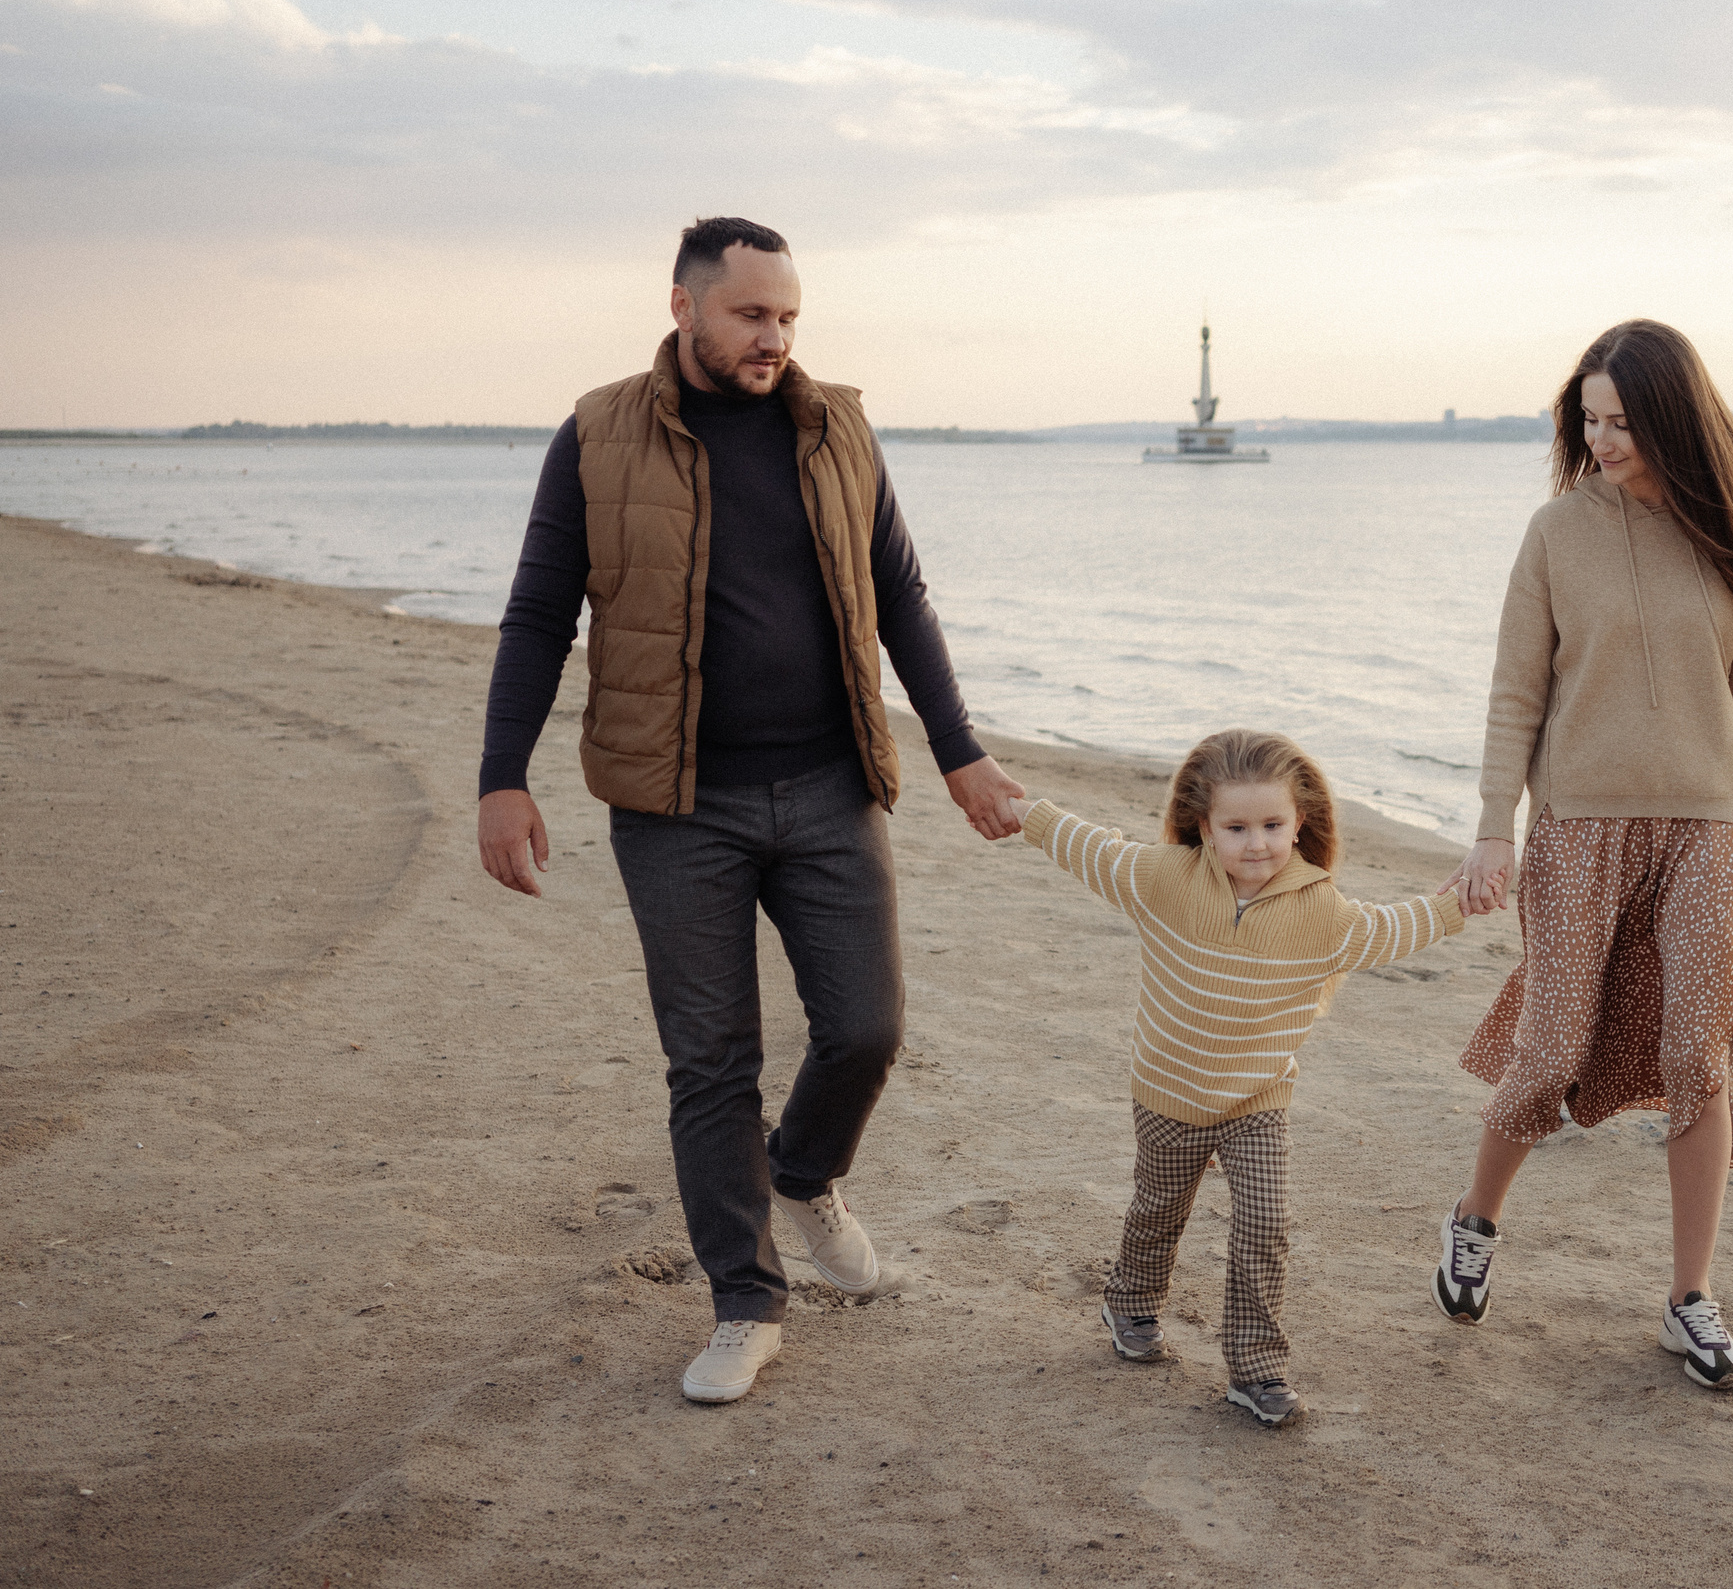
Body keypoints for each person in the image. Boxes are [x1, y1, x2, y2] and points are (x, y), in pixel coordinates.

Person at [475, 216, 1025, 1404]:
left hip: (832, 786)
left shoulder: (837, 427)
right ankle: (744, 1301)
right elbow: (535, 616)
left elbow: (901, 595)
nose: (774, 337)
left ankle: (804, 1172)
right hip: (677, 805)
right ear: (683, 307)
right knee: (710, 1060)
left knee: (866, 1029)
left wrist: (961, 754)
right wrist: (500, 776)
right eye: (751, 315)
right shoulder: (597, 432)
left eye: (788, 317)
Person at [1429, 318, 1733, 1391]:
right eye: (1590, 420)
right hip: (1579, 830)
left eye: (1622, 421)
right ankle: (1476, 1219)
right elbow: (1514, 692)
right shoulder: (1554, 534)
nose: (1602, 440)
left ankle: (1689, 1298)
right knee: (1555, 1044)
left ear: (1672, 417)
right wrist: (1494, 827)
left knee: (1695, 1056)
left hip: (1709, 832)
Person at [1000, 730, 1464, 1427]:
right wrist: (1025, 813)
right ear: (1204, 825)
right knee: (1159, 1209)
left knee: (1265, 1222)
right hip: (1168, 1090)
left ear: (1299, 821)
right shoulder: (1163, 879)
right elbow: (1089, 847)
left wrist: (1459, 903)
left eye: (1273, 825)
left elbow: (1389, 929)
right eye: (1237, 827)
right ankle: (1130, 1300)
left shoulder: (1323, 912)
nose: (1257, 844)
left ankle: (1256, 1367)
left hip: (1258, 1099)